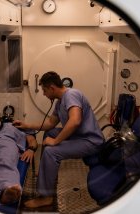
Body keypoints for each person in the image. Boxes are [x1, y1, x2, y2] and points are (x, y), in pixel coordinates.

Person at [13, 71, 104, 208]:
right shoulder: (60, 102)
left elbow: (75, 121)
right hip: (78, 136)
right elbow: (50, 124)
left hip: (90, 140)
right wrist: (27, 125)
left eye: (44, 90)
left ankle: (46, 197)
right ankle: (46, 172)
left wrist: (56, 142)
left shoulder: (71, 95)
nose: (44, 94)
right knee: (50, 132)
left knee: (51, 152)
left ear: (52, 88)